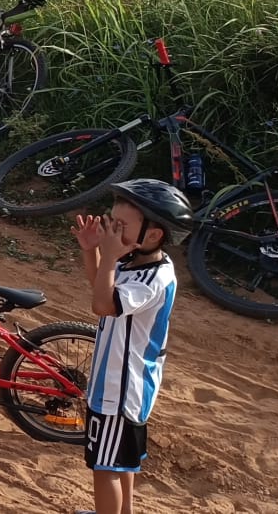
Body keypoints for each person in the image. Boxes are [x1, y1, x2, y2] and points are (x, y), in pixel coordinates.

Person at [70, 179, 186, 514]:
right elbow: (100, 288)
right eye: (110, 221)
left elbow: (103, 306)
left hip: (119, 391)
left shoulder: (153, 277)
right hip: (120, 385)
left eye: (119, 226)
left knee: (105, 467)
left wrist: (106, 255)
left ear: (153, 235)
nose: (110, 230)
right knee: (120, 463)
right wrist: (91, 250)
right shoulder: (132, 261)